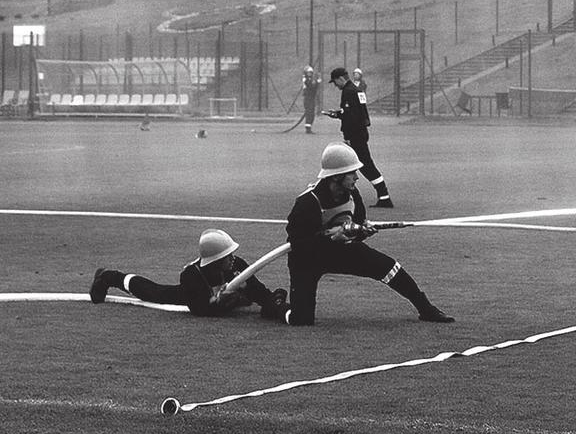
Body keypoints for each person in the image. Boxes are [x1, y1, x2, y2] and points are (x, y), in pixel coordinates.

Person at [283, 142, 453, 326]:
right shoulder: (308, 203)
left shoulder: (352, 193)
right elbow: (299, 245)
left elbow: (357, 225)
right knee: (301, 320)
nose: (357, 177)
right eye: (351, 173)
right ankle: (276, 305)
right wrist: (332, 238)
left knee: (389, 267)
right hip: (308, 259)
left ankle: (425, 308)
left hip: (341, 250)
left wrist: (362, 232)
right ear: (336, 177)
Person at [89, 229, 289, 319]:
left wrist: (274, 303)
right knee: (152, 291)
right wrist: (222, 302)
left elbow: (259, 292)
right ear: (215, 261)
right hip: (187, 297)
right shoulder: (191, 277)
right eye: (227, 256)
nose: (233, 259)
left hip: (213, 298)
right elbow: (200, 310)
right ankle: (108, 277)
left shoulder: (237, 265)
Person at [324, 67, 393, 208]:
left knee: (363, 165)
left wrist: (348, 137)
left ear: (340, 78)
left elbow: (352, 118)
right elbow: (356, 113)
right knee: (360, 165)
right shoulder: (357, 90)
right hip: (361, 132)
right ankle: (382, 195)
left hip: (355, 135)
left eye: (335, 82)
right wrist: (337, 114)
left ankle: (383, 196)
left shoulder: (348, 92)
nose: (335, 85)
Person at [302, 66, 322, 134]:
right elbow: (311, 86)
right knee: (309, 112)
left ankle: (309, 127)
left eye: (310, 73)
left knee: (312, 113)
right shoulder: (305, 80)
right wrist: (317, 82)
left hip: (311, 98)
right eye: (308, 73)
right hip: (308, 98)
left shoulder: (310, 79)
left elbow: (314, 88)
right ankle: (308, 128)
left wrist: (317, 82)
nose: (309, 74)